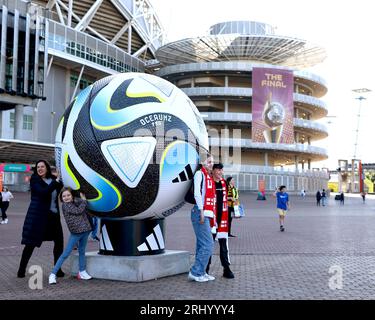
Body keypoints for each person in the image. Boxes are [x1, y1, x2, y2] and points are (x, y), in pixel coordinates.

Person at [17, 160, 64, 278]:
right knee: (30, 244)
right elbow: (43, 192)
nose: (40, 169)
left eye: (42, 166)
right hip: (38, 217)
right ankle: (21, 270)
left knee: (59, 242)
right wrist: (56, 182)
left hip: (53, 217)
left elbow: (64, 189)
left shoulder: (53, 179)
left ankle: (57, 269)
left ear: (47, 168)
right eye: (38, 167)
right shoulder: (35, 180)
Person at [49, 188, 93, 284]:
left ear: (72, 196)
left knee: (82, 252)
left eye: (68, 195)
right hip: (76, 233)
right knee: (65, 254)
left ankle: (82, 271)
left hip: (85, 231)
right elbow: (78, 211)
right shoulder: (66, 206)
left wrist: (81, 198)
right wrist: (84, 200)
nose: (66, 197)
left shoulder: (75, 201)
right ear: (61, 198)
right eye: (64, 196)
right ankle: (52, 274)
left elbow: (81, 201)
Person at [188, 155, 215, 282]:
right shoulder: (200, 174)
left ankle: (201, 271)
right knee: (208, 244)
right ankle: (196, 272)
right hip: (200, 211)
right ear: (202, 162)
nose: (211, 164)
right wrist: (201, 210)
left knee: (201, 245)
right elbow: (197, 193)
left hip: (206, 212)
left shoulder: (209, 177)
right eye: (209, 162)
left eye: (212, 162)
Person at [206, 163, 234, 279]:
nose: (219, 172)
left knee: (224, 245)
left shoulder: (224, 183)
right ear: (212, 171)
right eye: (217, 170)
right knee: (208, 245)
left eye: (221, 170)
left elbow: (224, 198)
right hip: (211, 219)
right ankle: (205, 269)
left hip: (222, 219)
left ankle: (226, 268)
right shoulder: (208, 182)